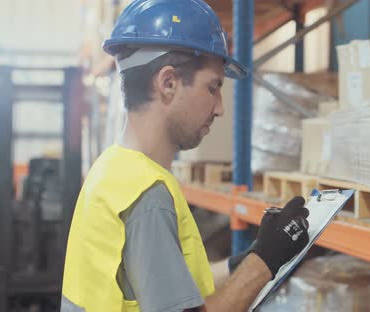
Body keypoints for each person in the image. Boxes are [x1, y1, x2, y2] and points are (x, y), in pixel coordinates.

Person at [60, 0, 310, 311]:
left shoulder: (115, 170)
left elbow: (175, 284)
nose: (220, 107)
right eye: (212, 87)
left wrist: (250, 256)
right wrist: (264, 262)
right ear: (168, 84)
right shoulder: (145, 196)